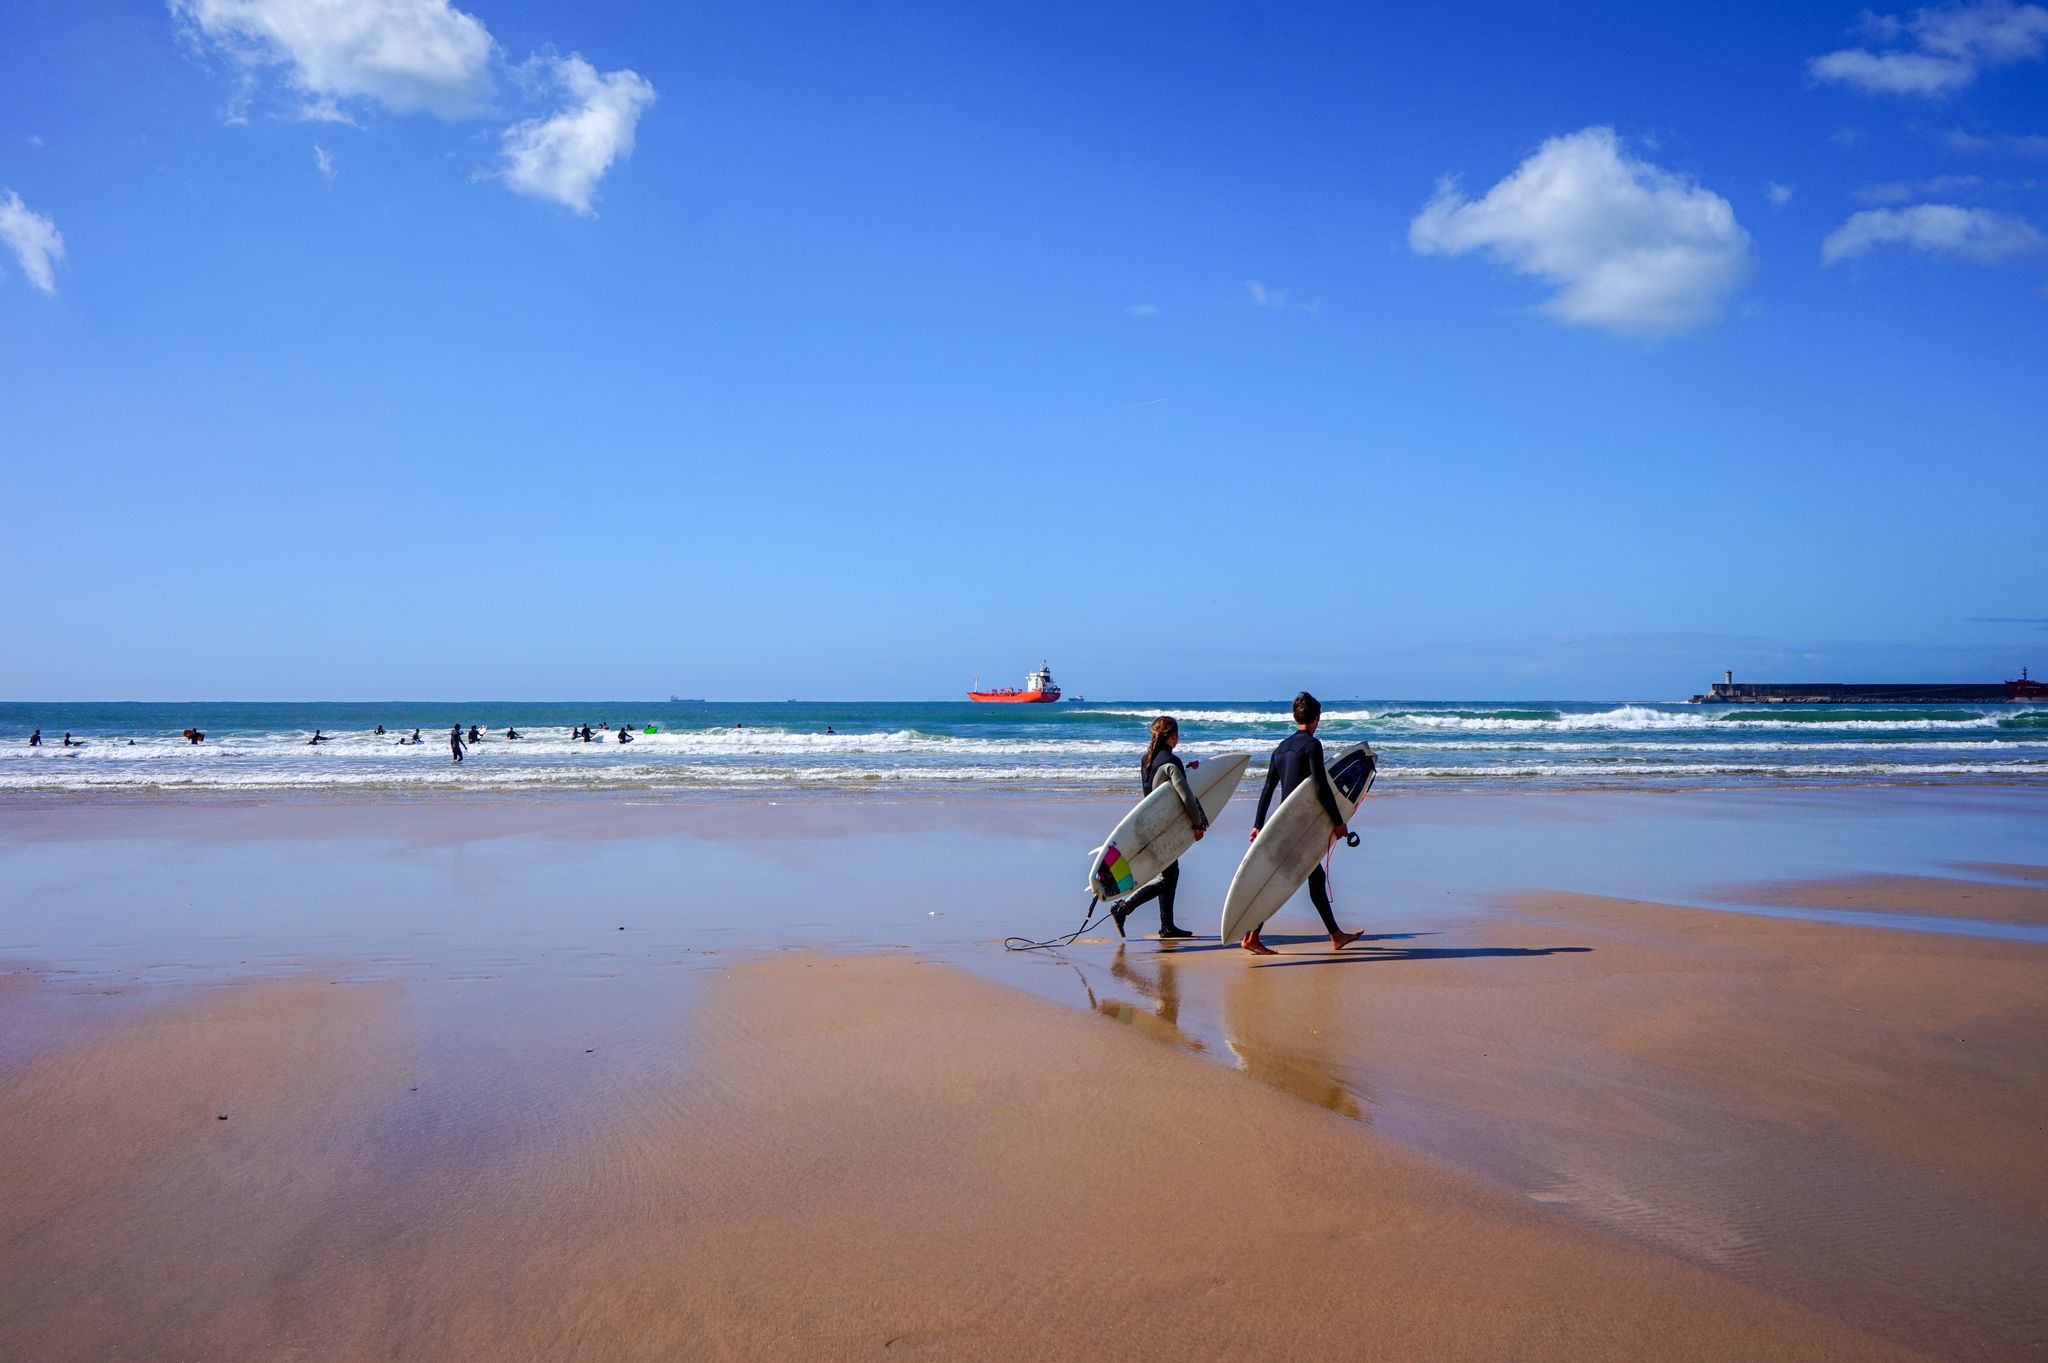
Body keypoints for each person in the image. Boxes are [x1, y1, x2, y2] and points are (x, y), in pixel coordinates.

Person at [1243, 692, 1363, 956]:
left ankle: (1335, 935)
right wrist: (1338, 821)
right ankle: (1252, 936)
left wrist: (1258, 824)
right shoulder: (1312, 745)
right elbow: (1321, 788)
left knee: (1313, 878)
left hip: (1280, 824)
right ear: (1316, 718)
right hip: (1299, 827)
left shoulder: (1281, 749)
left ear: (1294, 716)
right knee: (1280, 883)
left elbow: (1267, 789)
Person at [1109, 716, 1204, 940]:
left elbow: (1159, 788)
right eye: (1177, 735)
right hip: (1164, 828)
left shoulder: (1146, 760)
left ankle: (1167, 926)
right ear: (1173, 736)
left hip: (1148, 826)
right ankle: (1124, 908)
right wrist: (1198, 823)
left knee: (1169, 872)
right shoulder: (1172, 761)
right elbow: (1185, 795)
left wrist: (1188, 768)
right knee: (1169, 877)